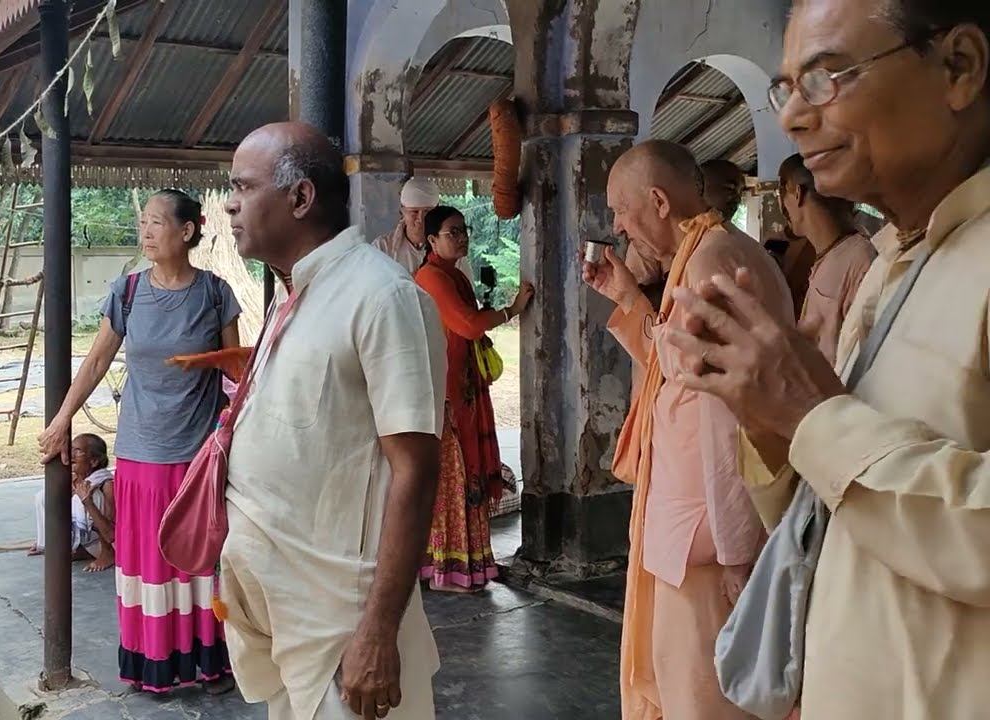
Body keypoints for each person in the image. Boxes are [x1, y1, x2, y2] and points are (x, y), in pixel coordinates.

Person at [663, 2, 990, 717]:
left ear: (959, 67)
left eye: (827, 77)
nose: (792, 118)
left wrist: (816, 417)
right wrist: (766, 418)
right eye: (787, 88)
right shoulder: (889, 262)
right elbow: (832, 502)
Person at [220, 121, 447, 719]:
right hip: (287, 618)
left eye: (244, 187)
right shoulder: (293, 294)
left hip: (344, 626)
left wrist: (375, 633)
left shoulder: (382, 296)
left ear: (300, 198)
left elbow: (416, 473)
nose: (229, 203)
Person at [581, 140, 791, 720]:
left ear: (656, 201)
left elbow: (726, 420)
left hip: (705, 537)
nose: (621, 229)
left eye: (622, 212)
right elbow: (677, 371)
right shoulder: (705, 257)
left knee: (702, 700)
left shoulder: (710, 264)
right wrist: (626, 294)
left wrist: (737, 551)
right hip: (690, 533)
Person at [38, 188, 240, 695]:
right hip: (142, 454)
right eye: (143, 223)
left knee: (200, 560)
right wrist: (62, 419)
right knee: (149, 561)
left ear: (187, 231)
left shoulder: (216, 294)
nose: (145, 232)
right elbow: (96, 361)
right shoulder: (126, 291)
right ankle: (154, 665)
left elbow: (236, 371)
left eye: (156, 222)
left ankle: (210, 662)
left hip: (198, 457)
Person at [412, 206, 533, 593]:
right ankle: (449, 569)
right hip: (446, 397)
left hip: (463, 389)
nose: (462, 237)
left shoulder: (454, 275)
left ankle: (471, 564)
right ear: (432, 240)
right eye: (452, 232)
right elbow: (467, 324)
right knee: (455, 477)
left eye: (463, 230)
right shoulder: (432, 277)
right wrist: (511, 310)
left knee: (468, 475)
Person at [777, 153, 875, 361]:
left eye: (782, 195)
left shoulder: (861, 259)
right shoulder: (829, 256)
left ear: (797, 193)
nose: (783, 208)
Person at [30, 433, 115, 573]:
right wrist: (48, 538)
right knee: (45, 496)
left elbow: (110, 534)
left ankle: (106, 555)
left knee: (90, 497)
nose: (72, 454)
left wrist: (87, 502)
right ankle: (53, 544)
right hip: (83, 542)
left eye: (78, 451)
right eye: (71, 449)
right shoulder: (75, 479)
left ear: (93, 461)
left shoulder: (107, 484)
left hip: (105, 544)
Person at [371, 177, 472, 282]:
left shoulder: (451, 249)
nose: (421, 219)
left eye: (427, 211)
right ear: (402, 211)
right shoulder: (382, 249)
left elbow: (466, 292)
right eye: (414, 212)